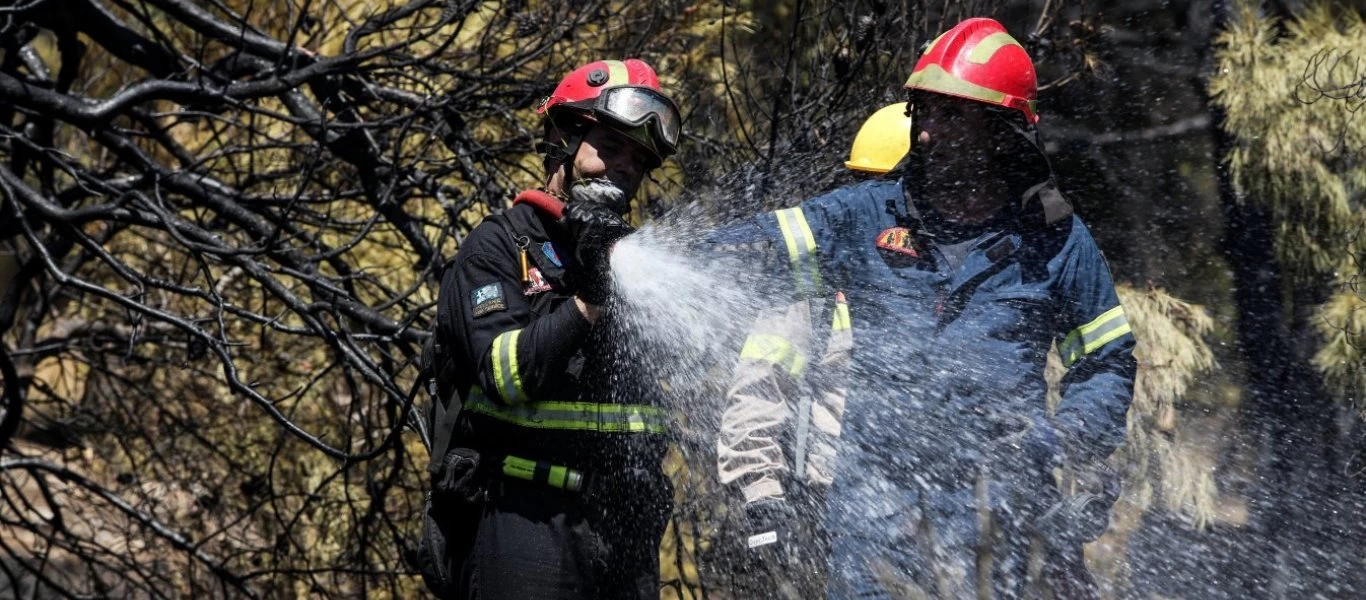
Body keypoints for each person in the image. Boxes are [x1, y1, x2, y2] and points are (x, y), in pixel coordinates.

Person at [707, 18, 1135, 599]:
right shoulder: (865, 215)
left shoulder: (1055, 238)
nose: (927, 132)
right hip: (875, 513)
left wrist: (1059, 439)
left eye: (951, 114)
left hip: (1001, 515)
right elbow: (759, 244)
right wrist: (638, 253)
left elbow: (1106, 361)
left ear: (1002, 130)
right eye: (923, 112)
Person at [416, 58, 684, 600]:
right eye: (610, 146)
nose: (624, 167)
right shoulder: (498, 247)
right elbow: (507, 376)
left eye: (638, 158)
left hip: (623, 526)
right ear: (563, 136)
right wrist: (588, 299)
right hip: (522, 518)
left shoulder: (636, 264)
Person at [709, 101, 912, 599]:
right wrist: (763, 497)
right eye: (863, 188)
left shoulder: (945, 284)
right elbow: (760, 386)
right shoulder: (814, 283)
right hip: (825, 502)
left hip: (921, 506)